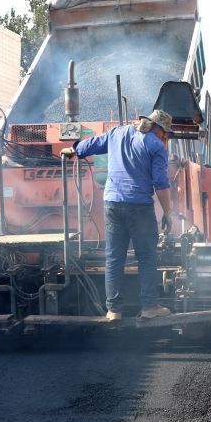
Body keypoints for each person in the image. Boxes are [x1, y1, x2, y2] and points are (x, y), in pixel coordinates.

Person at [61, 110, 174, 320]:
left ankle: (114, 311)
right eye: (166, 133)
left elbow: (92, 144)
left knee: (114, 258)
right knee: (146, 257)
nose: (165, 138)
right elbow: (160, 183)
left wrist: (73, 150)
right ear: (159, 128)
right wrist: (168, 213)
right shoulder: (156, 146)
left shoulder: (116, 133)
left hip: (112, 204)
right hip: (139, 206)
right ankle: (150, 307)